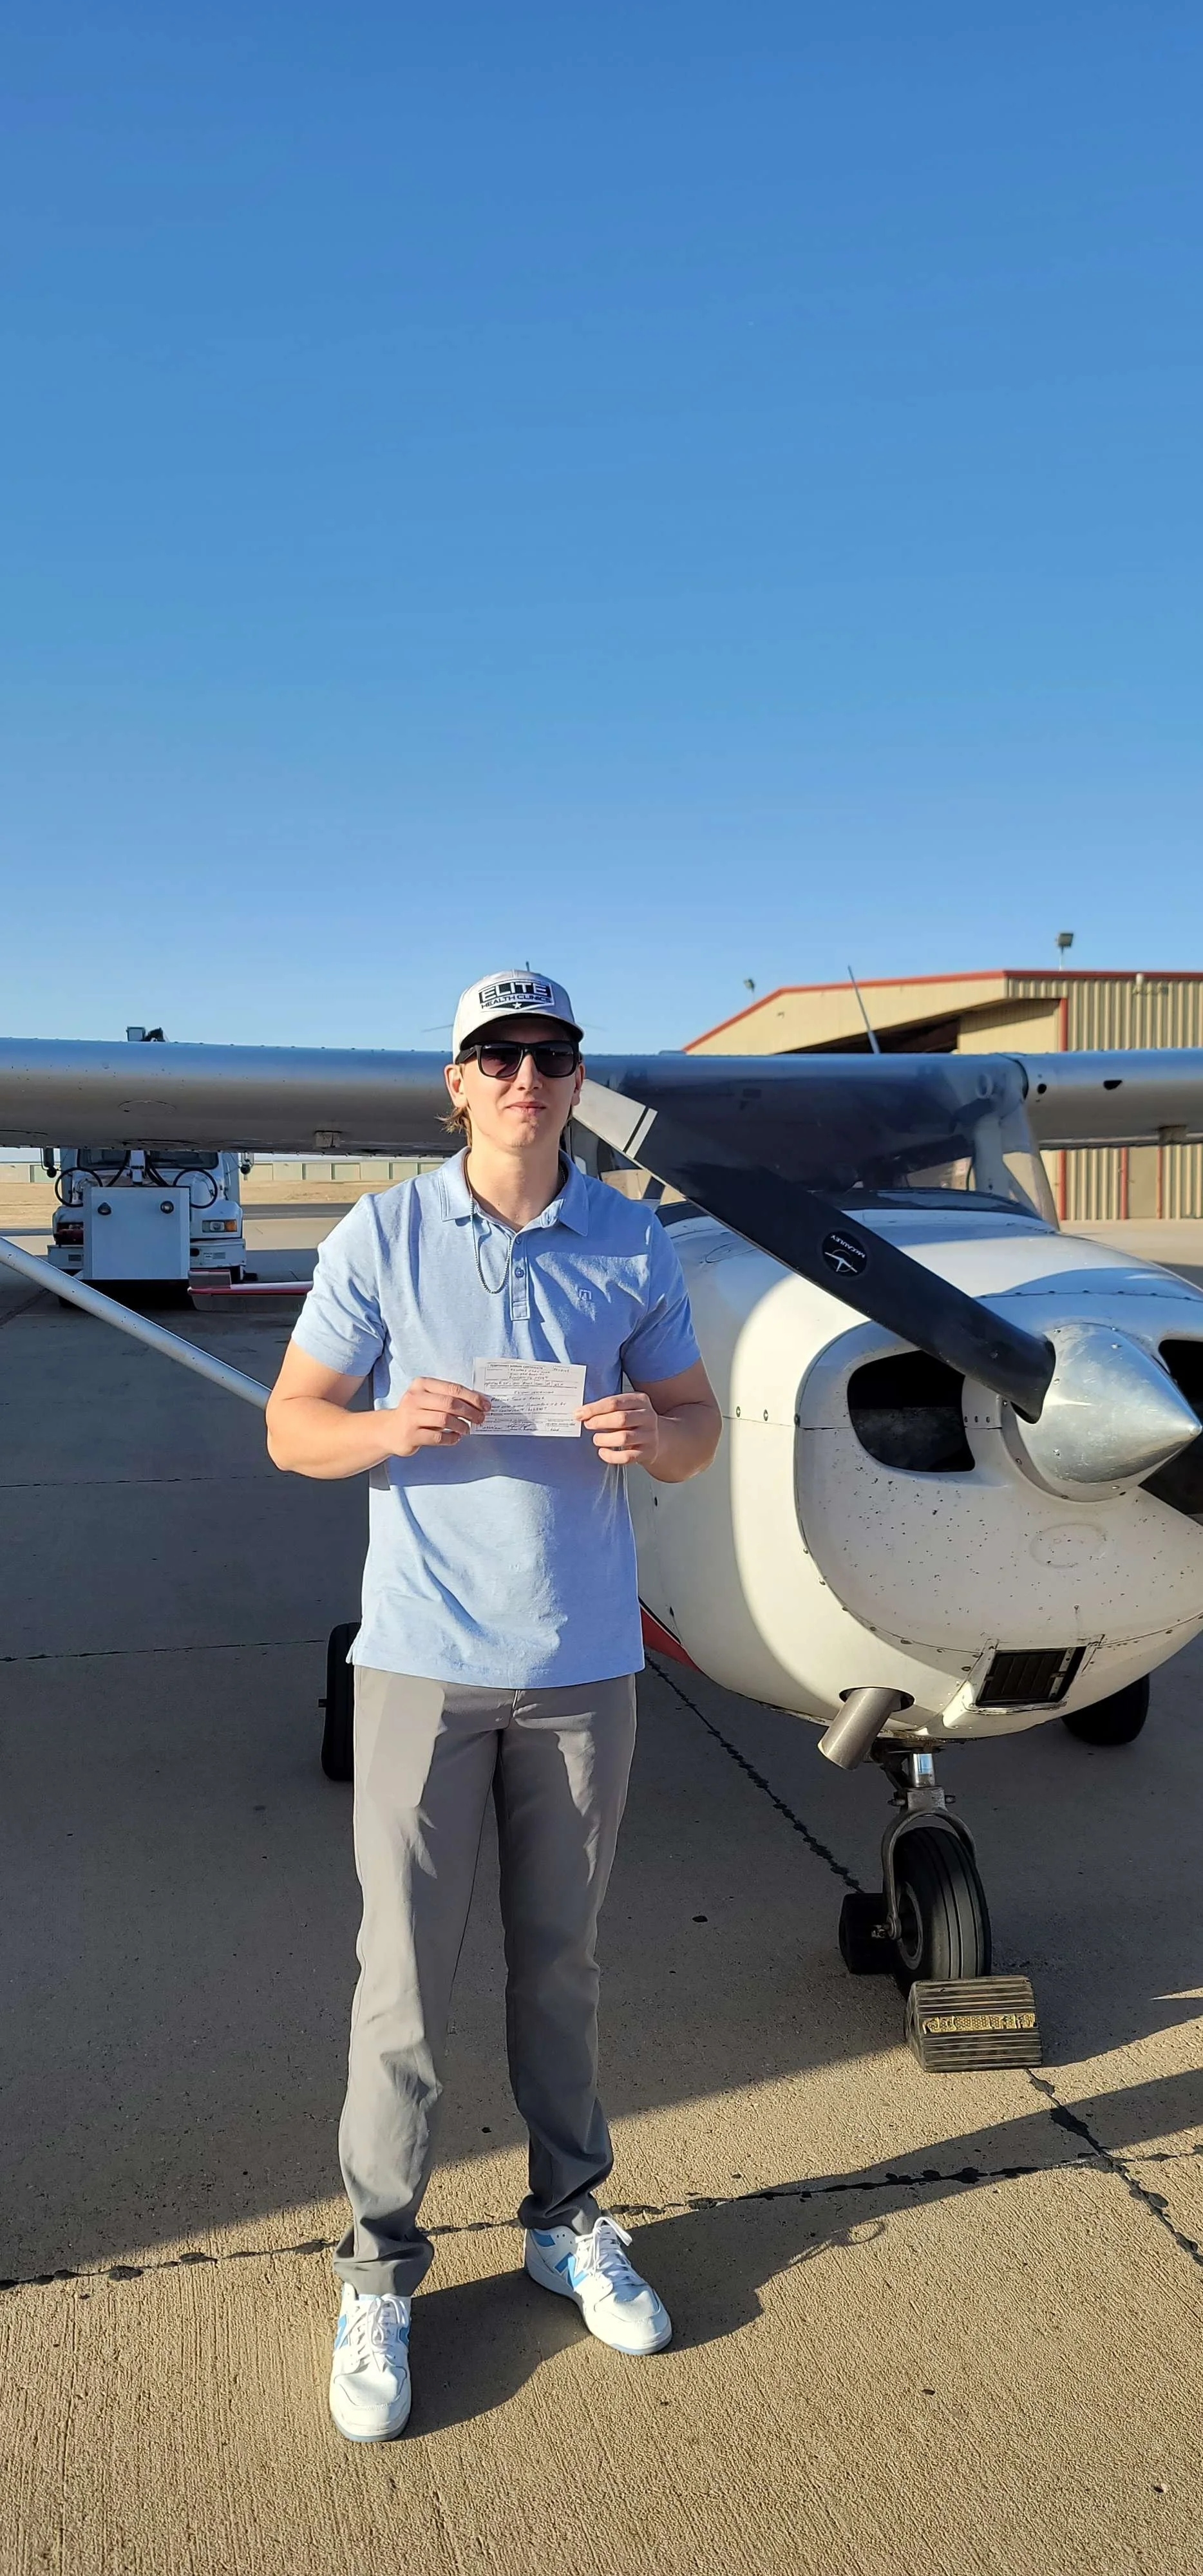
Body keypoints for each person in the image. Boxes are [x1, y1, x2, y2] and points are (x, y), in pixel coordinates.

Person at [265, 969, 721, 2443]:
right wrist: (388, 1421)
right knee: (399, 1984)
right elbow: (291, 1426)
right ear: (455, 1081)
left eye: (550, 1051)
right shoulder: (382, 1231)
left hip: (583, 1662)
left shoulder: (628, 1234)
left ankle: (565, 2216)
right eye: (495, 1052)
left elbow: (697, 1431)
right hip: (419, 1660)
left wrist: (655, 1429)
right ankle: (379, 2267)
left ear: (578, 1079)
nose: (525, 1072)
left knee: (562, 1964)